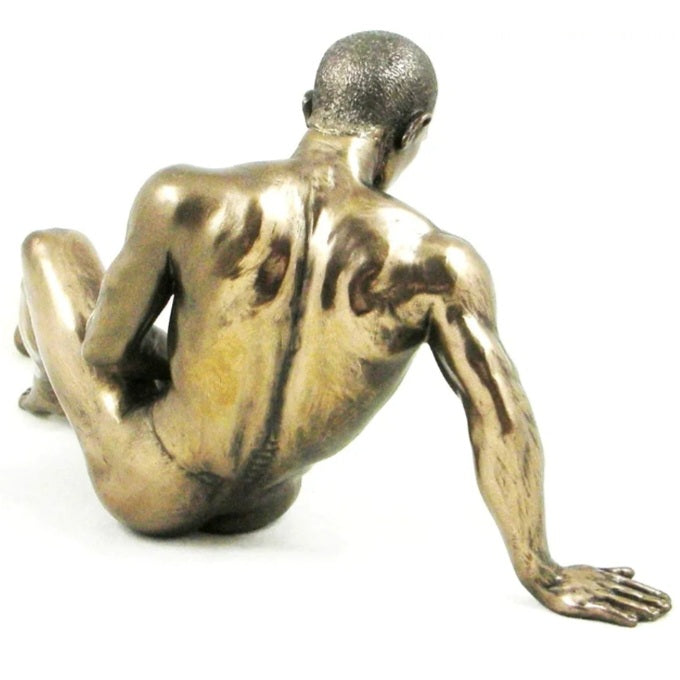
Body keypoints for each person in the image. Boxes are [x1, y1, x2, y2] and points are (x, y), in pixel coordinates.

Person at [16, 31, 670, 625]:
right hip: (267, 501)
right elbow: (501, 413)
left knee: (51, 245)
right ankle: (50, 379)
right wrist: (541, 569)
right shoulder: (438, 263)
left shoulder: (185, 197)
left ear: (308, 107)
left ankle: (46, 375)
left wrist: (168, 358)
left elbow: (106, 352)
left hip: (149, 486)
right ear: (414, 131)